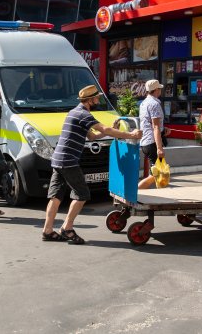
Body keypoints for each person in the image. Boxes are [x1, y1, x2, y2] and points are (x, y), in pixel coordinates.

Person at [42, 85, 142, 244]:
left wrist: (111, 129)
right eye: (97, 97)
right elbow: (104, 130)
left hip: (58, 159)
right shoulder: (83, 114)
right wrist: (130, 134)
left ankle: (47, 231)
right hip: (68, 161)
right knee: (82, 195)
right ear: (90, 100)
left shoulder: (74, 112)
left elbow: (93, 136)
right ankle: (67, 228)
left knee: (55, 196)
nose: (98, 99)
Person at [138, 79, 166, 189]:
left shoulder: (144, 103)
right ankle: (136, 192)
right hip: (152, 142)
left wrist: (164, 128)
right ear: (156, 90)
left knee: (158, 173)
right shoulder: (154, 104)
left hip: (145, 141)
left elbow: (149, 122)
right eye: (159, 88)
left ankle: (159, 196)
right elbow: (155, 127)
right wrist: (159, 148)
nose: (160, 91)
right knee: (156, 173)